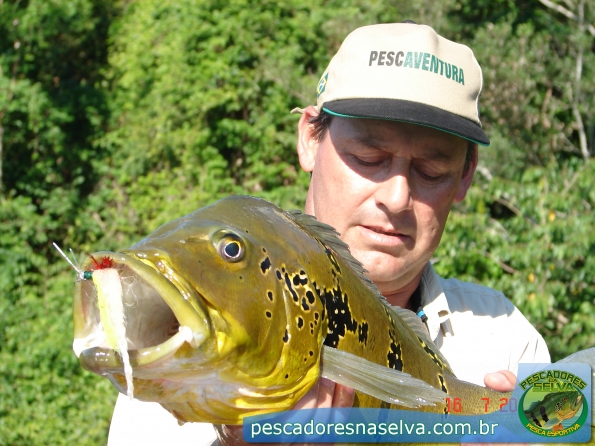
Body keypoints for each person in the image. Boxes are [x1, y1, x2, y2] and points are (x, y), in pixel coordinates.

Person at [107, 22, 550, 445]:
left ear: (466, 175)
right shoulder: (175, 352)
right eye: (368, 157)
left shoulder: (508, 339)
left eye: (431, 170)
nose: (397, 197)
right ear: (310, 139)